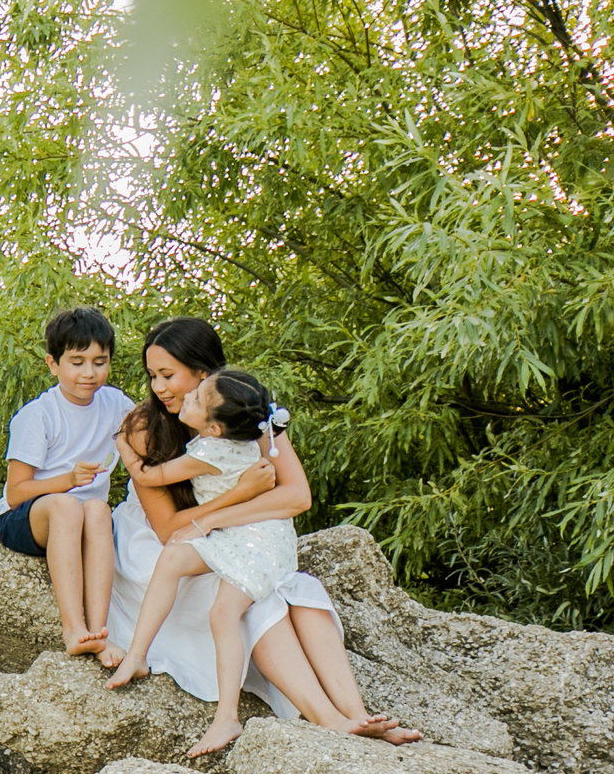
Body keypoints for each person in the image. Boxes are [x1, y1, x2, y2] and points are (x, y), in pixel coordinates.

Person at [103, 317, 420, 745]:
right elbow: (170, 530)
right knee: (258, 602)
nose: (158, 387)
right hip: (162, 548)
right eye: (152, 375)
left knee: (298, 591)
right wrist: (239, 498)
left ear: (204, 373)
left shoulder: (242, 409)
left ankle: (358, 715)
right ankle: (328, 718)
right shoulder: (145, 427)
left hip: (227, 535)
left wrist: (223, 515)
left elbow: (296, 498)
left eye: (168, 375)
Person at [105, 368, 298, 756]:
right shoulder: (240, 436)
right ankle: (139, 655)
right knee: (173, 559)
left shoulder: (209, 453)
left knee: (222, 614)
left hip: (252, 541)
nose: (184, 397)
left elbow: (152, 476)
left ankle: (226, 716)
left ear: (213, 429)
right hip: (244, 535)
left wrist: (124, 446)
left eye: (195, 398)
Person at [0, 305, 132, 656]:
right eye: (77, 362)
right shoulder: (38, 415)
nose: (89, 373)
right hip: (27, 518)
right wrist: (67, 480)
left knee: (100, 509)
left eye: (100, 363)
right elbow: (15, 493)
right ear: (53, 364)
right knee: (70, 506)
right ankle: (73, 628)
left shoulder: (115, 404)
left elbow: (150, 439)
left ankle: (98, 631)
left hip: (86, 518)